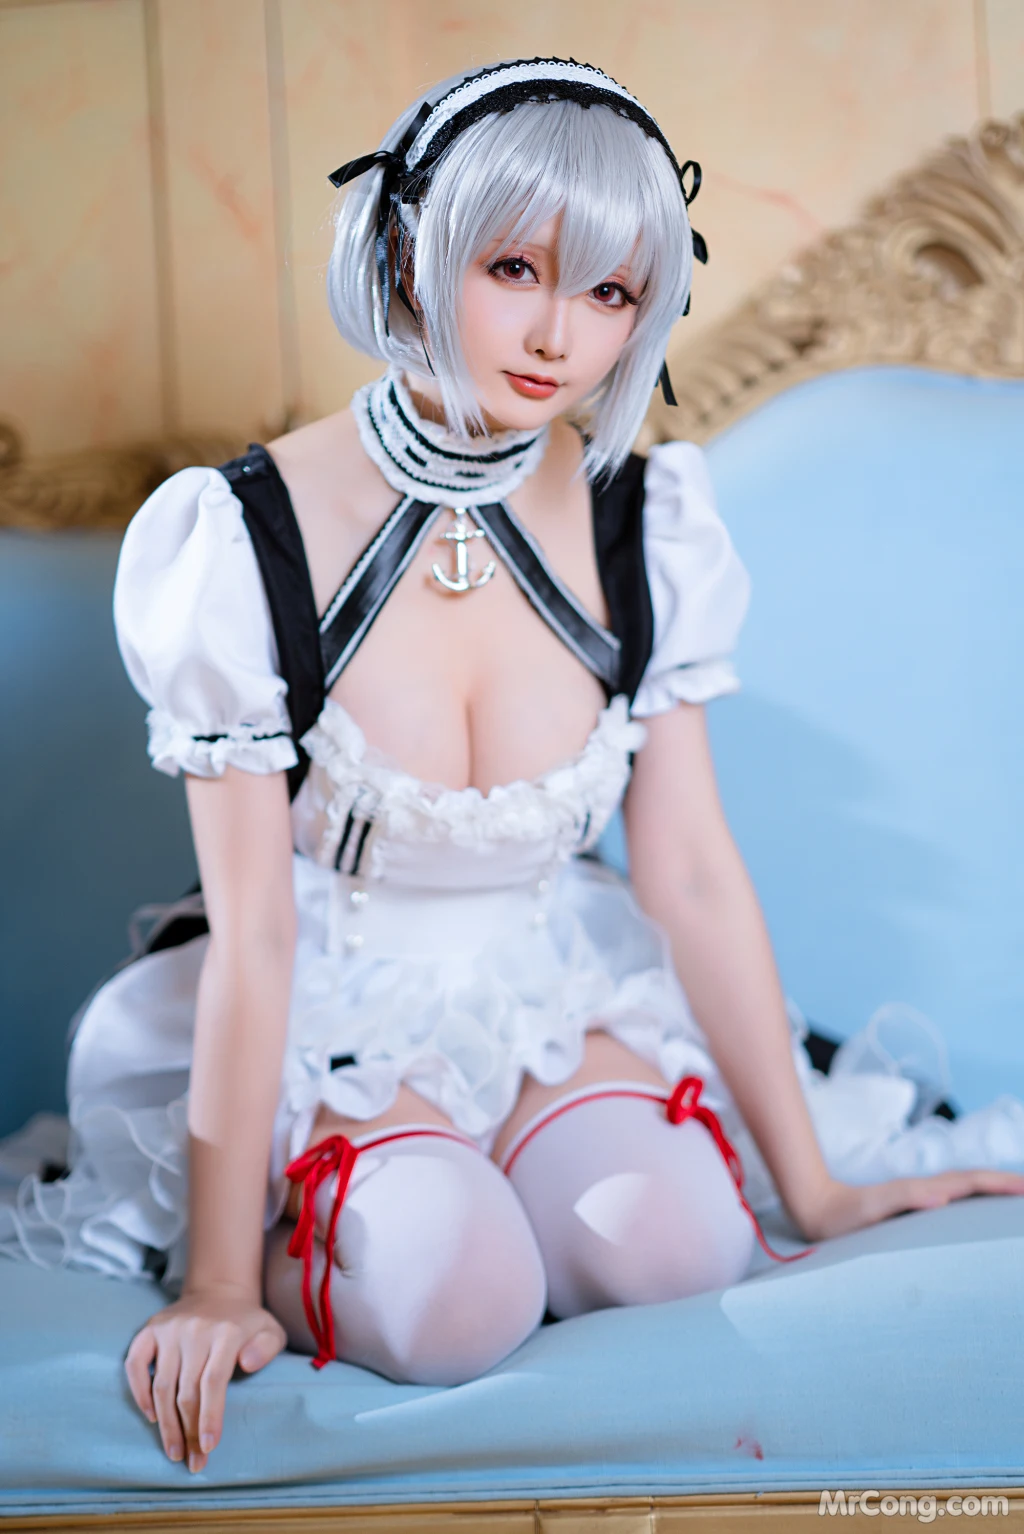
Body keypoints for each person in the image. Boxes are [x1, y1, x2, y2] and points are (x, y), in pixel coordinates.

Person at [4, 57, 1024, 1478]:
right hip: (330, 1000)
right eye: (513, 269)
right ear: (409, 254)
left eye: (608, 291)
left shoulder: (645, 523)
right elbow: (258, 930)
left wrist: (817, 1186)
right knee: (453, 1296)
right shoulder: (244, 538)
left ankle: (503, 1188)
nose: (557, 334)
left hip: (554, 976)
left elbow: (688, 872)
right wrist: (221, 1285)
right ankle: (361, 1225)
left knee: (675, 1240)